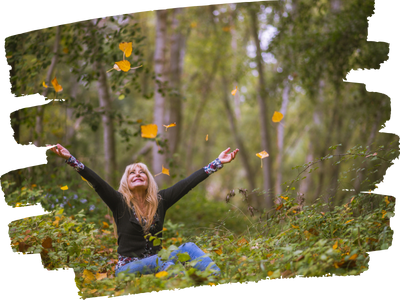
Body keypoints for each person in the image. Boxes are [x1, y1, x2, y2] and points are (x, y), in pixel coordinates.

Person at [46, 143, 239, 278]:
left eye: (142, 172)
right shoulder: (119, 202)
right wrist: (70, 159)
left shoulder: (160, 201)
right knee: (168, 263)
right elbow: (96, 182)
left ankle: (218, 280)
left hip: (158, 262)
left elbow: (187, 183)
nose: (137, 174)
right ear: (126, 182)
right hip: (128, 269)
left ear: (148, 180)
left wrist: (217, 162)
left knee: (186, 249)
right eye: (132, 172)